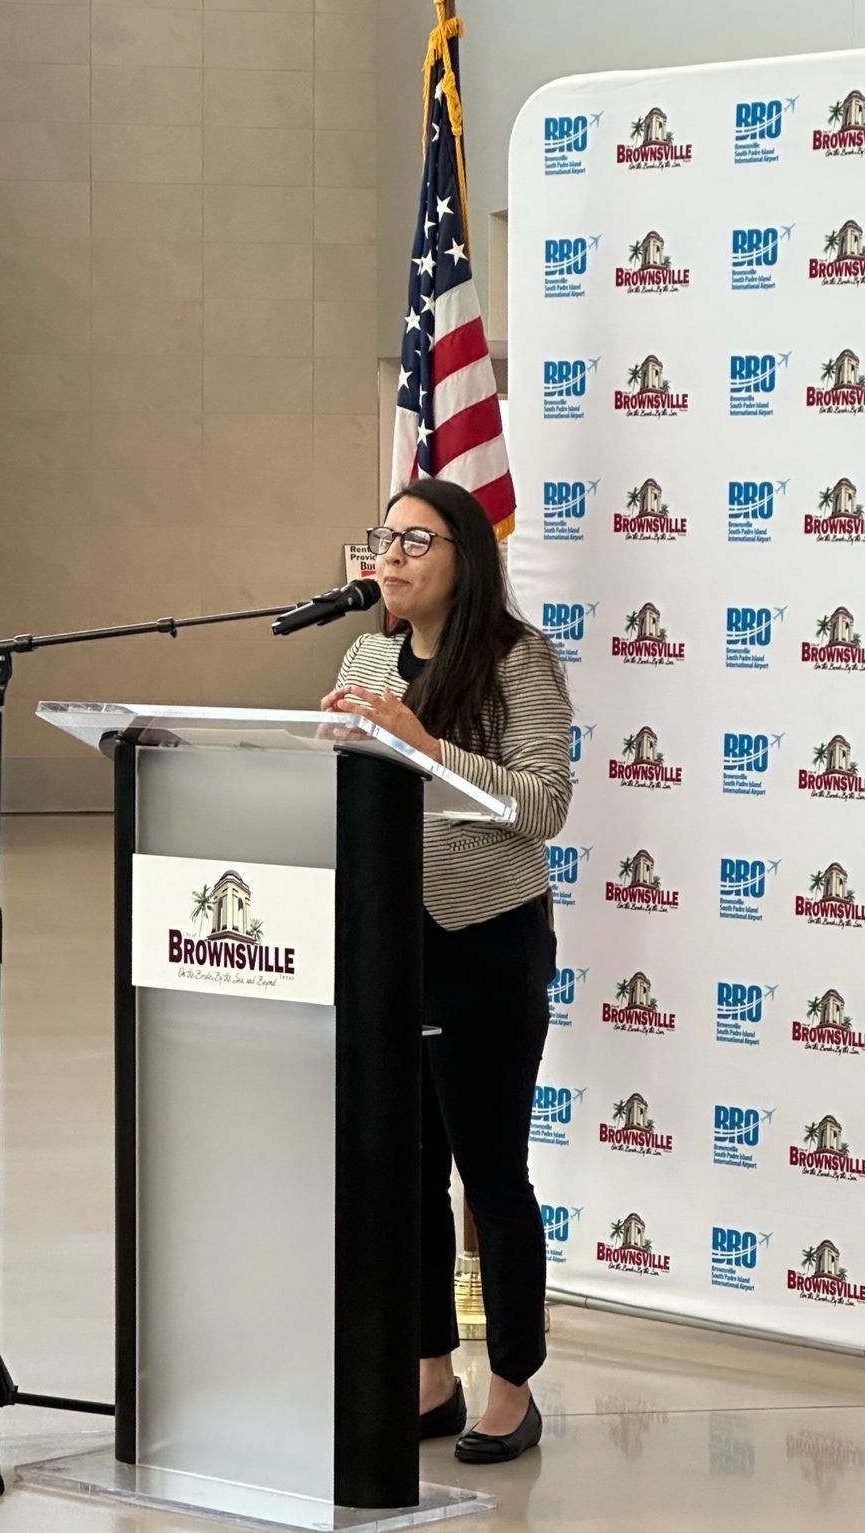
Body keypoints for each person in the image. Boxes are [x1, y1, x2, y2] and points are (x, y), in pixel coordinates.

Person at [321, 478, 573, 1465]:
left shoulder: (519, 661)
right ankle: (429, 1373)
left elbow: (543, 805)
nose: (389, 554)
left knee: (487, 1172)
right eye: (381, 536)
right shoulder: (362, 653)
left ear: (465, 555)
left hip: (488, 942)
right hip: (389, 939)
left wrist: (429, 749)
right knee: (406, 1173)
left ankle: (511, 1384)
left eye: (414, 540)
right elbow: (346, 781)